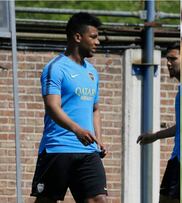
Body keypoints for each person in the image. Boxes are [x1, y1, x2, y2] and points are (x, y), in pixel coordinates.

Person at [31, 12, 108, 203]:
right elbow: (52, 106)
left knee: (98, 200)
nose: (97, 42)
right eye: (93, 37)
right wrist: (77, 130)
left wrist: (98, 139)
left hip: (88, 151)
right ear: (77, 37)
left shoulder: (92, 72)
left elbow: (95, 109)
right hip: (58, 148)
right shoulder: (55, 68)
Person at [137, 42, 180, 203]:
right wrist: (155, 136)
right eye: (167, 59)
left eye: (173, 59)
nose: (168, 63)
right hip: (176, 156)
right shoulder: (181, 89)